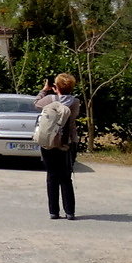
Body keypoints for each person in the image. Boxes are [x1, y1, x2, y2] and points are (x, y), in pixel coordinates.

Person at [35, 73, 82, 221]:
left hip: (49, 142)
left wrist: (44, 90)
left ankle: (54, 212)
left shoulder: (48, 100)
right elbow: (73, 118)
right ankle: (70, 212)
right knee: (66, 177)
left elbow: (35, 103)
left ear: (56, 87)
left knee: (52, 175)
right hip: (68, 142)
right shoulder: (75, 102)